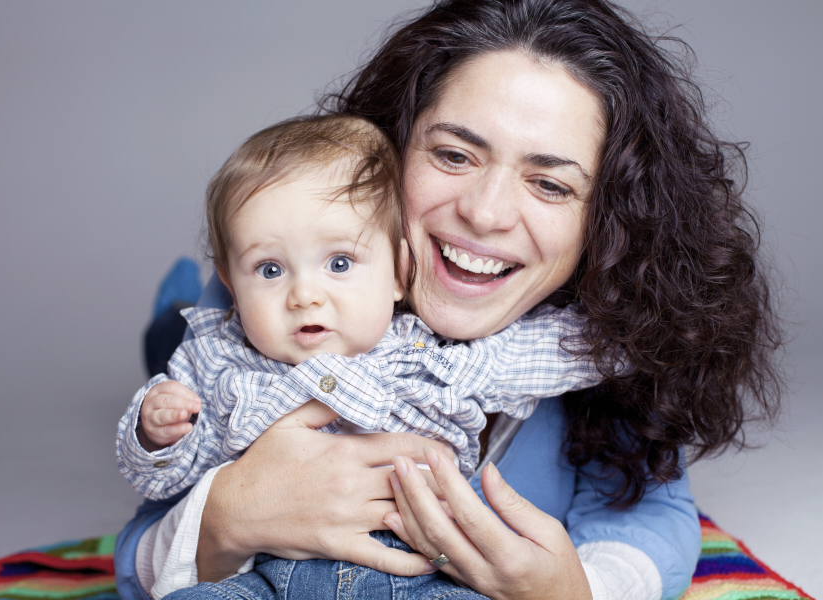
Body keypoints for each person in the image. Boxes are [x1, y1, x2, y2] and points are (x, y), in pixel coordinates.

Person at [114, 1, 783, 599]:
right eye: (455, 155)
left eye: (549, 185)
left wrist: (581, 589)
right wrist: (227, 518)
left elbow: (654, 515)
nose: (486, 215)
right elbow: (137, 551)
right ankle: (170, 310)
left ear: (607, 222)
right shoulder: (291, 284)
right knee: (171, 344)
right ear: (391, 149)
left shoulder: (596, 338)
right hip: (216, 387)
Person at [117, 114, 604, 599]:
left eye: (339, 263)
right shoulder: (222, 364)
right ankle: (170, 315)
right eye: (269, 270)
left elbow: (556, 349)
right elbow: (163, 483)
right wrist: (156, 434)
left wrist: (645, 328)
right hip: (261, 581)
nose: (305, 295)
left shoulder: (429, 360)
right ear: (229, 284)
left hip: (420, 580)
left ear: (398, 273)